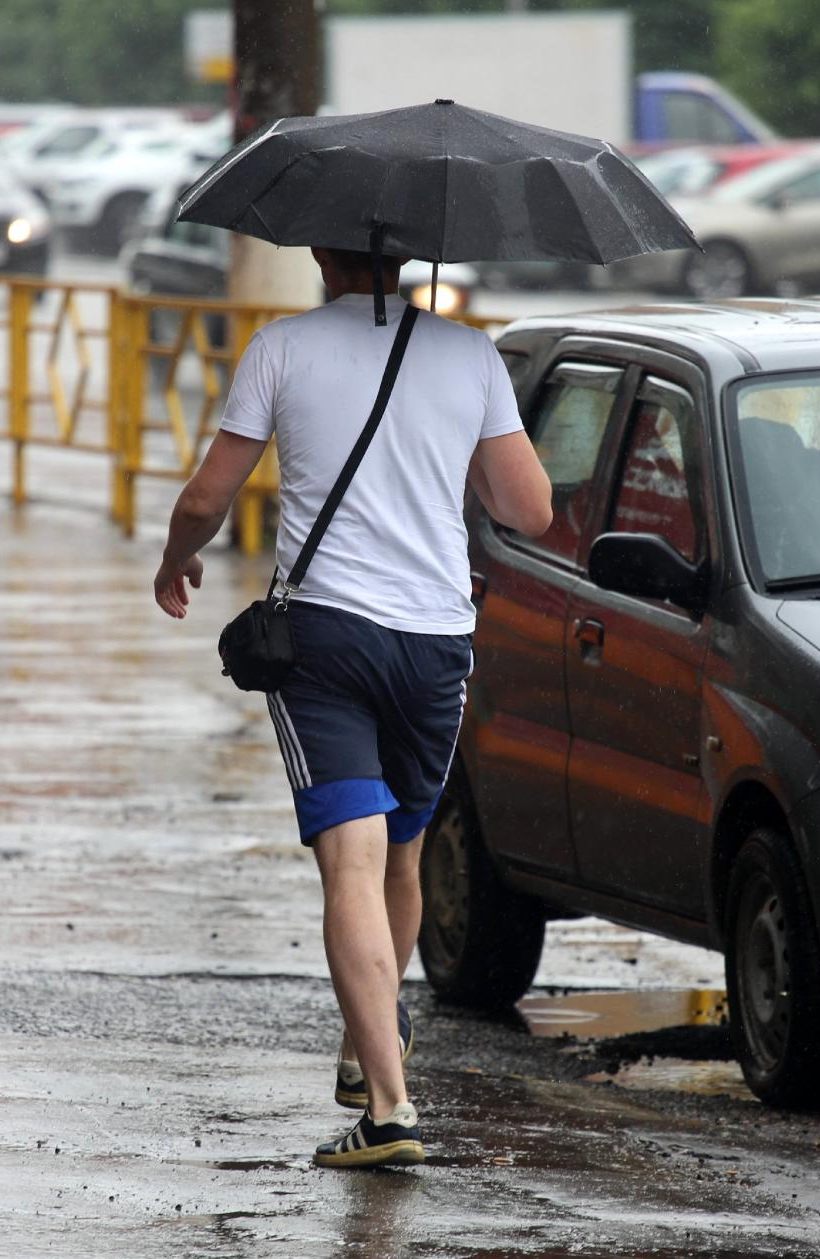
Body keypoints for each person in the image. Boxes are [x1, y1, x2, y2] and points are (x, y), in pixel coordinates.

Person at [152, 247, 553, 1168]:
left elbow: (210, 494)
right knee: (396, 855)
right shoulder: (471, 355)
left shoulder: (281, 348)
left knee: (350, 863)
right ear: (409, 253)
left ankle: (389, 1108)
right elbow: (529, 510)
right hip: (436, 646)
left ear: (323, 253)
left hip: (326, 641)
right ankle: (365, 1045)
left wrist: (177, 556)